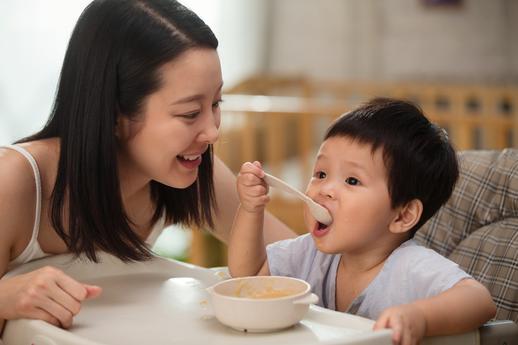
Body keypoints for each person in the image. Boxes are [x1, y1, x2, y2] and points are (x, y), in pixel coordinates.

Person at [0, 0, 295, 333]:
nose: (213, 132)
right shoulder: (14, 181)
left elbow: (296, 261)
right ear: (114, 114)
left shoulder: (196, 170)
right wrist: (5, 298)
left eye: (216, 103)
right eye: (189, 113)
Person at [228, 98, 496, 345]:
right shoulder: (310, 254)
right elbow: (248, 276)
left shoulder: (410, 267)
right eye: (321, 173)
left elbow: (480, 300)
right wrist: (251, 210)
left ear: (402, 215)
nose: (324, 189)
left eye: (352, 180)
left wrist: (420, 317)